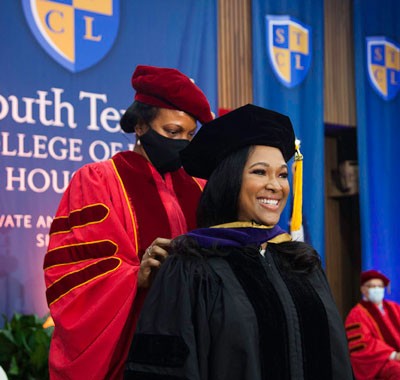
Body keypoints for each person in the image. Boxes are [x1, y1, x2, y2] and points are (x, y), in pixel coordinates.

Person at [124, 104, 353, 379]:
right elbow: (164, 367)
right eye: (260, 172)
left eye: (282, 174)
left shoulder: (301, 262)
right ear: (230, 180)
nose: (275, 185)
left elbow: (336, 358)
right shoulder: (190, 265)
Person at [43, 65, 214, 379]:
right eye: (172, 132)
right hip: (132, 347)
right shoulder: (98, 180)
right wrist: (135, 276)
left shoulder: (199, 188)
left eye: (190, 135)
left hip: (195, 345)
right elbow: (73, 269)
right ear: (139, 126)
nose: (182, 143)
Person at [345, 270, 400, 380]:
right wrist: (394, 355)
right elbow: (363, 344)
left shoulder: (394, 308)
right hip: (379, 362)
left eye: (380, 286)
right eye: (372, 286)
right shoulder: (356, 314)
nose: (377, 289)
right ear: (363, 289)